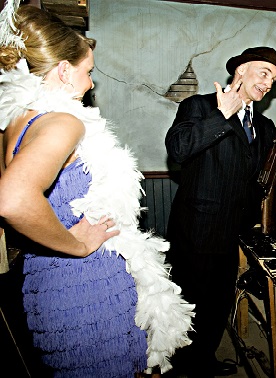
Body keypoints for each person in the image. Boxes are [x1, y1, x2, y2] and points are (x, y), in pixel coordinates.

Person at [0, 3, 193, 376]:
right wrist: (79, 244)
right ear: (62, 71)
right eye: (87, 72)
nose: (91, 83)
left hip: (47, 276)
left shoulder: (15, 124)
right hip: (84, 280)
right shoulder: (62, 123)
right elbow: (12, 199)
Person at [164, 46, 276, 376]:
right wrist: (221, 115)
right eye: (263, 73)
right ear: (240, 71)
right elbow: (178, 149)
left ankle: (203, 361)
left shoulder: (264, 125)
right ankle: (180, 367)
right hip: (196, 229)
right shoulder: (200, 106)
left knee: (217, 303)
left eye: (274, 78)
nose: (269, 83)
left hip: (234, 231)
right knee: (188, 303)